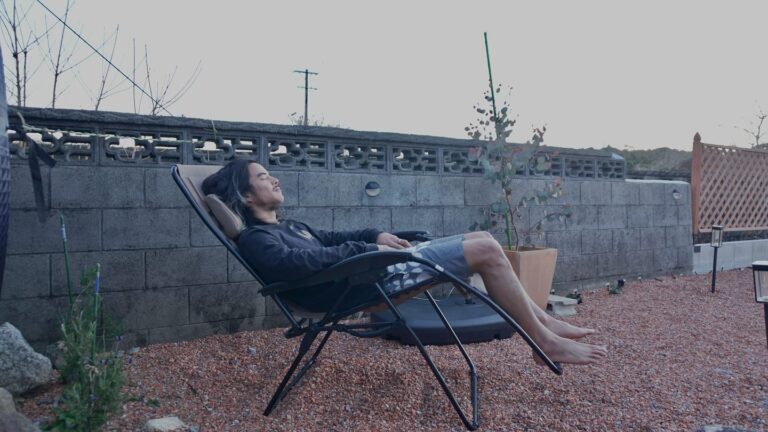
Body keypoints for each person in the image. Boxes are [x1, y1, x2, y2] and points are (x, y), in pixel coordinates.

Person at [202, 159, 607, 365]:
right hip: (363, 285)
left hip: (373, 269)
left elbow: (332, 240)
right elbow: (300, 265)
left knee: (484, 239)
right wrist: (368, 253)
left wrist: (375, 236)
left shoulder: (290, 226)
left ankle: (542, 322)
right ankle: (543, 342)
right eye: (263, 177)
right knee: (485, 251)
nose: (274, 179)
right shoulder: (256, 239)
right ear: (247, 197)